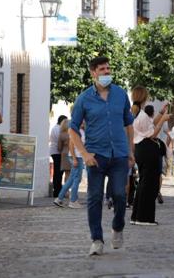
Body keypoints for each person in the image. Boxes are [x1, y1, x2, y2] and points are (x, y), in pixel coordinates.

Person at [69, 56, 135, 256]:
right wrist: (84, 153)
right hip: (96, 156)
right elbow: (72, 129)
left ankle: (117, 227)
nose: (107, 72)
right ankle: (97, 239)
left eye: (108, 68)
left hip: (119, 155)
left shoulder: (121, 94)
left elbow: (128, 124)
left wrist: (131, 151)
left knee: (120, 195)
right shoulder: (84, 99)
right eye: (102, 69)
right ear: (93, 73)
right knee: (94, 197)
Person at [130, 86, 170, 226]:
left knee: (143, 183)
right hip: (147, 150)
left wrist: (160, 113)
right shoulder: (141, 115)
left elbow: (149, 125)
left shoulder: (137, 114)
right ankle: (145, 217)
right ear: (144, 97)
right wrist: (163, 119)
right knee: (149, 185)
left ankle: (136, 216)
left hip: (141, 150)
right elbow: (153, 133)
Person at [54, 122, 85, 208]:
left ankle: (59, 198)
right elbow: (71, 145)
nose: (84, 122)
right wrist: (74, 159)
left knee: (71, 179)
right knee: (76, 179)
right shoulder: (76, 131)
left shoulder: (82, 131)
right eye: (82, 121)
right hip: (76, 157)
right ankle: (73, 201)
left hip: (78, 157)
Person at [144, 105, 165, 204]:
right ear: (152, 113)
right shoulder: (156, 122)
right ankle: (157, 190)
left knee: (146, 171)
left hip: (146, 150)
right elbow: (156, 133)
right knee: (158, 173)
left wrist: (161, 112)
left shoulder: (144, 122)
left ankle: (148, 190)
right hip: (156, 149)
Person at [50, 115, 67, 197]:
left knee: (57, 172)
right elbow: (60, 141)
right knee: (58, 172)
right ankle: (57, 191)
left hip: (55, 152)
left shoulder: (55, 128)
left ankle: (57, 190)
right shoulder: (58, 129)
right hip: (58, 152)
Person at [58, 118, 71, 185]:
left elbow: (59, 147)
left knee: (66, 174)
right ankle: (72, 190)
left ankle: (66, 191)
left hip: (64, 153)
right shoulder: (72, 133)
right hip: (72, 153)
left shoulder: (61, 134)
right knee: (73, 174)